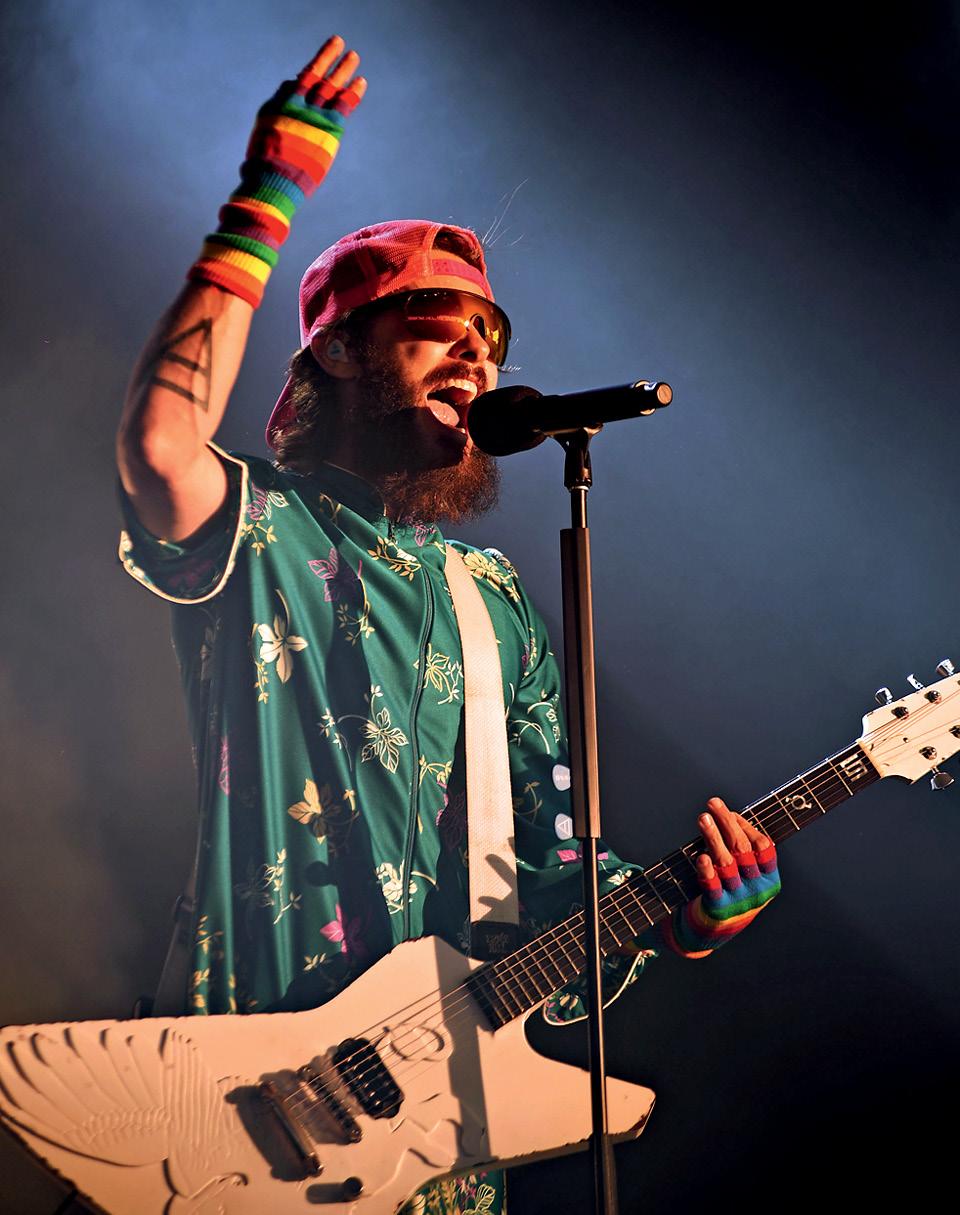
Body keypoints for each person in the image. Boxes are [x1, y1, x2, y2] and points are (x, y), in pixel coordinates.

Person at [116, 36, 781, 1215]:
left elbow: (555, 880)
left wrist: (681, 916)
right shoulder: (263, 529)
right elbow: (164, 447)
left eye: (492, 336)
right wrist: (263, 202)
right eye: (435, 320)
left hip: (434, 1152)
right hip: (237, 1103)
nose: (477, 348)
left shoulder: (496, 602)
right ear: (337, 350)